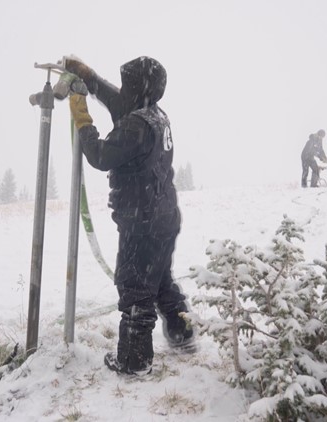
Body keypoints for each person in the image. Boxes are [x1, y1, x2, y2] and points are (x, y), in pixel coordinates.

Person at [64, 56, 195, 375]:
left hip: (144, 223)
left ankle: (134, 360)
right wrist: (89, 77)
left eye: (127, 85)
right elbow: (117, 99)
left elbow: (100, 155)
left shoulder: (137, 125)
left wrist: (82, 118)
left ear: (138, 90)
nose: (121, 91)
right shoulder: (154, 114)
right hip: (162, 217)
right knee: (160, 279)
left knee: (135, 285)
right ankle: (183, 335)